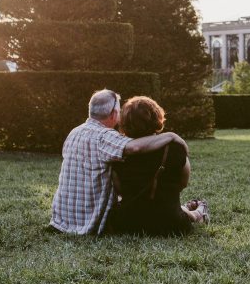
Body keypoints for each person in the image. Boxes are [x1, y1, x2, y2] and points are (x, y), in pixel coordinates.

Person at [49, 89, 189, 235]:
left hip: (62, 220)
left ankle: (188, 211)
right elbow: (135, 147)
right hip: (86, 223)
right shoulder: (105, 137)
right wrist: (171, 136)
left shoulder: (75, 132)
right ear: (114, 114)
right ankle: (191, 212)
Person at [108, 96, 209, 235]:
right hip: (172, 224)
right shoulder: (174, 148)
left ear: (124, 121)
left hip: (127, 224)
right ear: (157, 117)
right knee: (172, 210)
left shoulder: (118, 151)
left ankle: (193, 211)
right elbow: (183, 182)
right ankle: (199, 212)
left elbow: (118, 189)